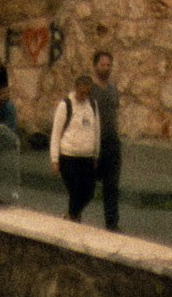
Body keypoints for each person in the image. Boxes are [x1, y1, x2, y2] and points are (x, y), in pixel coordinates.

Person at [51, 69, 105, 221]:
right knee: (75, 191)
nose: (84, 96)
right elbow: (56, 133)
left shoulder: (92, 105)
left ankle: (71, 216)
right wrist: (55, 159)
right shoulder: (65, 105)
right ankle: (73, 218)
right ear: (76, 89)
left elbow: (97, 130)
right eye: (81, 93)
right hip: (69, 156)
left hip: (87, 156)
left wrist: (96, 154)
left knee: (89, 192)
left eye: (87, 93)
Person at [88, 42, 126, 232]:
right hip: (93, 143)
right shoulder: (88, 89)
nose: (106, 68)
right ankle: (74, 212)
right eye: (103, 64)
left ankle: (112, 222)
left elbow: (116, 112)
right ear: (95, 66)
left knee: (112, 185)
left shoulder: (112, 89)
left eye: (109, 64)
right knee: (86, 184)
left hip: (111, 142)